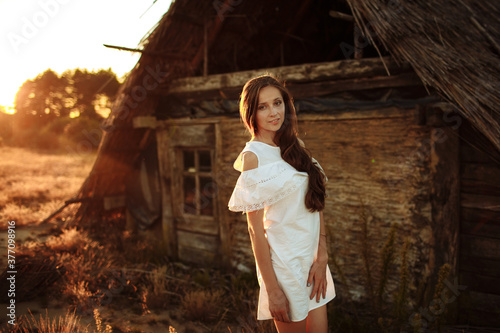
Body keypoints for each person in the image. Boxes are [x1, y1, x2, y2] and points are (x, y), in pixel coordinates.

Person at [228, 75, 336, 333]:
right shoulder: (253, 157)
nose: (273, 112)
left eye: (277, 103)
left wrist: (322, 255)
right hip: (284, 269)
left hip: (313, 265)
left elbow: (315, 202)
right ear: (250, 113)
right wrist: (273, 289)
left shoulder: (295, 147)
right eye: (262, 107)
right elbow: (255, 230)